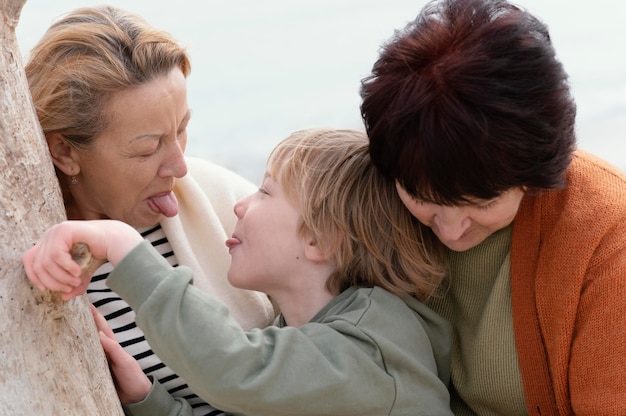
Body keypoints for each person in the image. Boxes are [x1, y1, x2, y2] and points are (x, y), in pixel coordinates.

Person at [24, 128, 454, 416]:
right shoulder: (305, 335)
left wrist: (121, 243)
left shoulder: (375, 343)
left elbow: (234, 365)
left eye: (265, 191)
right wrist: (147, 398)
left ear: (321, 240)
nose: (239, 204)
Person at [359, 0, 626, 414]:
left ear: (534, 172)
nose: (449, 231)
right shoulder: (379, 186)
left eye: (480, 203)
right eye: (424, 199)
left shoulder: (609, 238)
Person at [24, 5, 275, 415]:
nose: (179, 167)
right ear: (65, 151)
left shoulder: (218, 198)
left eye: (181, 130)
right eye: (148, 147)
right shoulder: (31, 259)